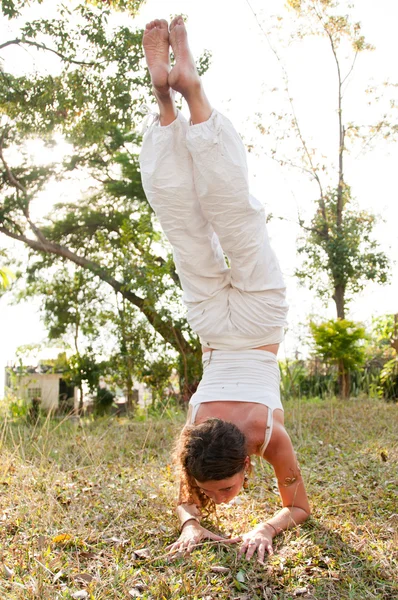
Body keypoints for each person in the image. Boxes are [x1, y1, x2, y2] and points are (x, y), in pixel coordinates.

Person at [139, 16, 310, 563]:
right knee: (207, 222)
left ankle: (178, 101)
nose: (220, 499)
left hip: (242, 327)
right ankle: (176, 102)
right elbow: (299, 508)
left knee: (222, 220)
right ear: (246, 465)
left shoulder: (259, 438)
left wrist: (194, 522)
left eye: (219, 492)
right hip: (233, 323)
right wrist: (262, 528)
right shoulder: (232, 438)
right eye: (225, 493)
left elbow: (297, 506)